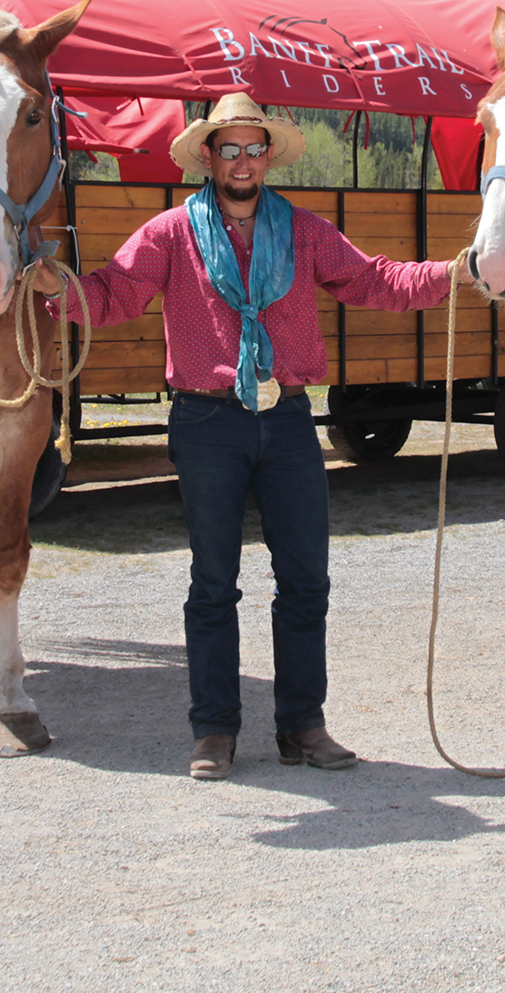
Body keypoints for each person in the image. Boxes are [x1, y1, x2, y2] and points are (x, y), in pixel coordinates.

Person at [34, 92, 463, 781]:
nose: (241, 160)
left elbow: (374, 279)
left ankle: (302, 723)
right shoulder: (170, 232)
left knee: (306, 579)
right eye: (227, 148)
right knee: (213, 581)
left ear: (268, 156)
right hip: (206, 421)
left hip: (288, 418)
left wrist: (452, 274)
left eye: (252, 148)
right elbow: (115, 292)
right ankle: (214, 730)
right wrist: (55, 287)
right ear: (208, 157)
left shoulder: (306, 232)